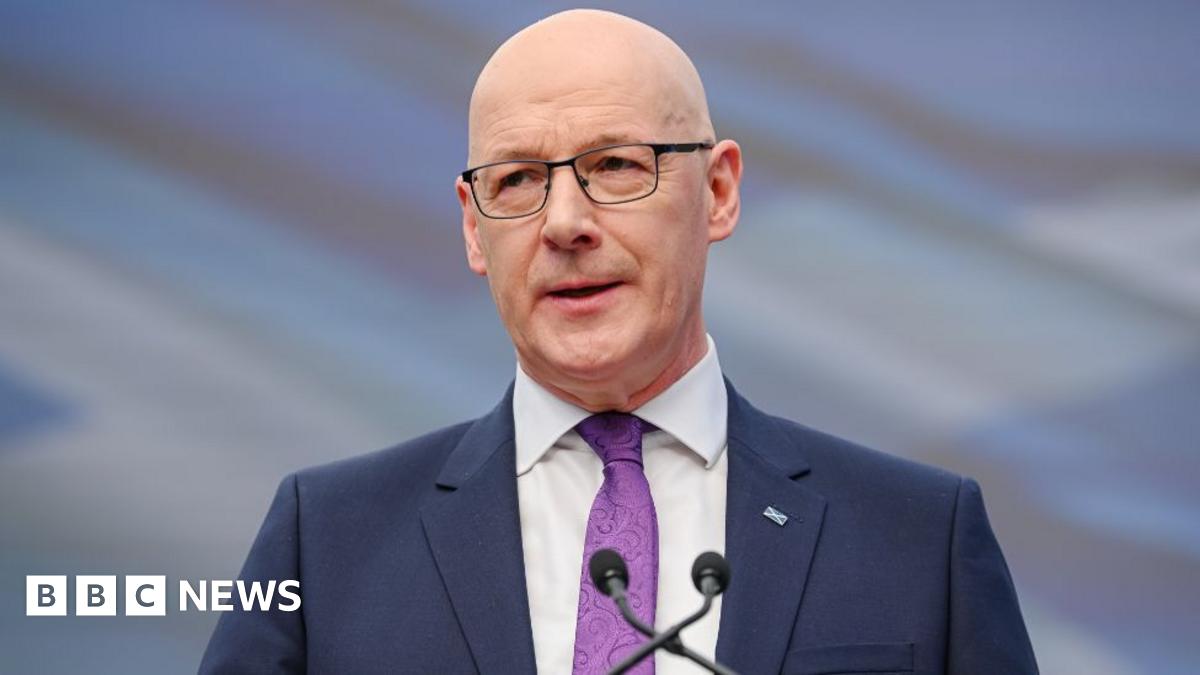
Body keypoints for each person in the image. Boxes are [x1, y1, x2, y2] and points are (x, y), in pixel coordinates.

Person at [199, 9, 1037, 675]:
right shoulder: (329, 539)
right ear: (472, 226)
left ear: (717, 192)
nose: (564, 222)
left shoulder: (919, 539)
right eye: (519, 179)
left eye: (614, 166)